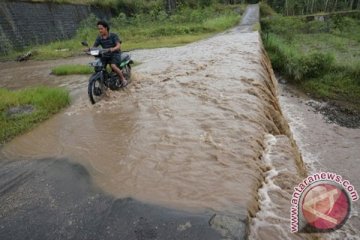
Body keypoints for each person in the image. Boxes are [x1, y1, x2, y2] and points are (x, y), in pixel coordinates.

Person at [93, 20, 127, 87]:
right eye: (98, 29)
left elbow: (118, 45)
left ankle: (123, 79)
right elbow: (94, 47)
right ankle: (104, 80)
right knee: (99, 66)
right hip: (105, 54)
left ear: (106, 28)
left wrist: (113, 49)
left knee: (113, 66)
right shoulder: (99, 38)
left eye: (101, 29)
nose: (100, 30)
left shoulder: (113, 35)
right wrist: (89, 49)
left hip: (115, 54)